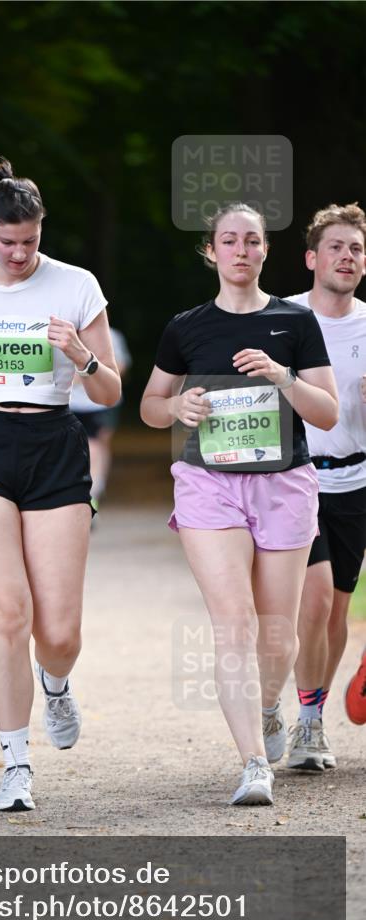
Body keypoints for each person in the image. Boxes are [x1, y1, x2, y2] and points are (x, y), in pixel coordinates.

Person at [0, 159, 120, 811]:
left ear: (40, 231)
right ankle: (14, 763)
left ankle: (56, 685)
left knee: (58, 630)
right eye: (7, 242)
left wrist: (81, 356)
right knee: (8, 611)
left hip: (54, 446)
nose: (18, 254)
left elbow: (109, 388)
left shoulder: (76, 286)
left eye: (29, 242)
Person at [141, 202, 338, 806]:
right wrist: (177, 409)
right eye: (230, 240)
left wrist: (282, 376)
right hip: (210, 484)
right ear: (212, 251)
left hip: (283, 484)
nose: (242, 250)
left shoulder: (295, 322)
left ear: (266, 251)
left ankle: (270, 704)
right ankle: (254, 763)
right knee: (235, 625)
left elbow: (327, 412)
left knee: (277, 636)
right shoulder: (186, 326)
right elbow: (150, 405)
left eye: (252, 240)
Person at [285, 203, 366, 769]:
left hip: (355, 483)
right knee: (309, 608)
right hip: (293, 480)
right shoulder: (281, 317)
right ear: (313, 258)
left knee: (335, 614)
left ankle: (309, 720)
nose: (347, 256)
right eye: (336, 246)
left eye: (356, 248)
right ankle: (294, 714)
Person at [70, 326, 132, 507]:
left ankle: (93, 492)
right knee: (75, 448)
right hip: (70, 402)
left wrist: (87, 373)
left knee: (97, 446)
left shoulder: (111, 334)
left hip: (101, 403)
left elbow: (120, 366)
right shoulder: (62, 333)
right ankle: (81, 491)